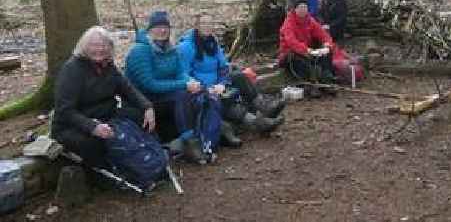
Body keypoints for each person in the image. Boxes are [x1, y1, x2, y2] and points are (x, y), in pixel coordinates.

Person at [52, 26, 155, 168]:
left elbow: (128, 89)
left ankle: (147, 157)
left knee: (139, 117)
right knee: (93, 142)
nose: (99, 49)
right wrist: (92, 126)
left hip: (105, 116)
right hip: (73, 125)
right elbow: (65, 110)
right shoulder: (72, 69)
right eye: (94, 45)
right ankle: (106, 177)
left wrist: (147, 106)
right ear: (84, 47)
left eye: (103, 45)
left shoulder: (108, 66)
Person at [177, 13, 284, 147]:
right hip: (200, 88)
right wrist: (206, 87)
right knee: (224, 101)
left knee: (238, 76)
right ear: (196, 26)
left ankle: (262, 106)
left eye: (210, 23)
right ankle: (257, 123)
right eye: (204, 23)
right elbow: (184, 74)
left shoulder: (213, 42)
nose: (207, 27)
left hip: (217, 85)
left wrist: (222, 83)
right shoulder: (186, 47)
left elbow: (223, 67)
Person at [124, 10, 207, 164]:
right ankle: (189, 142)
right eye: (158, 27)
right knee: (182, 94)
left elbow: (180, 73)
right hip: (143, 101)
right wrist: (184, 84)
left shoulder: (171, 49)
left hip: (164, 96)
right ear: (149, 30)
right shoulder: (140, 51)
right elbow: (149, 84)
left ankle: (205, 135)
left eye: (166, 27)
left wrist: (192, 82)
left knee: (198, 92)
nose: (162, 30)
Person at [279, 0, 336, 97]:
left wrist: (327, 45)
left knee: (327, 54)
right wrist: (307, 50)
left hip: (307, 50)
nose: (303, 10)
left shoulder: (310, 20)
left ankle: (327, 81)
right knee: (299, 59)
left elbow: (322, 34)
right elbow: (291, 42)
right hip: (289, 54)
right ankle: (309, 85)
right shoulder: (288, 23)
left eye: (305, 7)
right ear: (295, 9)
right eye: (300, 7)